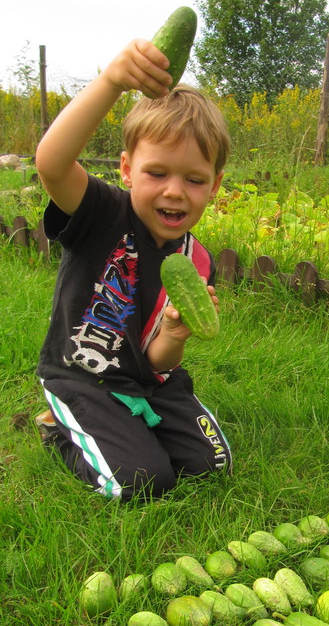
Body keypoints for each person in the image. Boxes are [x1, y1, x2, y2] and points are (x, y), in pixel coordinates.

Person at [33, 39, 232, 500]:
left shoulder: (195, 261)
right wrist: (111, 82)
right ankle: (59, 427)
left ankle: (129, 428)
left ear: (215, 185)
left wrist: (175, 334)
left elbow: (160, 359)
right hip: (84, 376)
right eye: (157, 173)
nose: (175, 192)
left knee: (211, 465)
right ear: (126, 168)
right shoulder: (100, 213)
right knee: (141, 481)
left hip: (150, 381)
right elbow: (51, 162)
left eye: (195, 179)